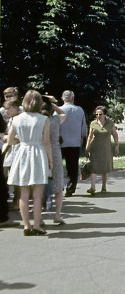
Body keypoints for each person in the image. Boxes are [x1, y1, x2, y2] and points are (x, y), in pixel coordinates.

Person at [5, 90, 53, 236]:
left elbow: (10, 140)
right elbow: (46, 142)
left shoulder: (17, 119)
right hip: (38, 153)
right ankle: (37, 225)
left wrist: (21, 140)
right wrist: (51, 161)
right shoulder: (44, 119)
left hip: (22, 153)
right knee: (38, 194)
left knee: (23, 194)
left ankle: (26, 226)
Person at [41, 96, 67, 224]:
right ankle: (57, 215)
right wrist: (52, 103)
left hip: (40, 151)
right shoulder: (55, 119)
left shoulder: (38, 120)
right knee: (58, 183)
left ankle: (38, 217)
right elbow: (63, 113)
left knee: (38, 184)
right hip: (55, 151)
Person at [59, 90, 87, 197]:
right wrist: (83, 138)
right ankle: (71, 188)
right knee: (73, 166)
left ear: (63, 98)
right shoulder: (79, 110)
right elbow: (83, 127)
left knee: (58, 165)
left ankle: (59, 186)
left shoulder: (59, 110)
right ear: (73, 98)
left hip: (61, 142)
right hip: (75, 142)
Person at [85, 106, 119, 194]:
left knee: (105, 168)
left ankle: (104, 187)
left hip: (106, 148)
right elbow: (90, 137)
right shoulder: (93, 123)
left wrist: (116, 145)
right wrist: (87, 148)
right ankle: (92, 188)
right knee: (93, 167)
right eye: (96, 114)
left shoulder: (110, 123)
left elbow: (115, 135)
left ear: (105, 114)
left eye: (100, 114)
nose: (98, 116)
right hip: (95, 148)